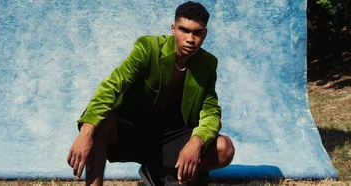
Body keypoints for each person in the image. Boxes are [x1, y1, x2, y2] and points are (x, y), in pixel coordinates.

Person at [67, 1, 234, 185]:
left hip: (172, 139)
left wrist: (196, 141)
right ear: (173, 28)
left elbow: (211, 112)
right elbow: (112, 86)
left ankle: (163, 172)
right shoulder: (148, 48)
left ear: (205, 33)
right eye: (184, 30)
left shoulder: (207, 64)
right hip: (133, 132)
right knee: (99, 121)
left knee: (224, 148)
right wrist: (86, 132)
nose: (190, 39)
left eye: (197, 32)